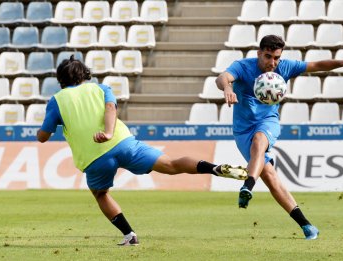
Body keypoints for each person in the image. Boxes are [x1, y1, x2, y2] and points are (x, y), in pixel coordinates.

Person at [37, 55, 248, 246]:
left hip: (95, 158)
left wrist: (44, 130)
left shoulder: (57, 100)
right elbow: (111, 108)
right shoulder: (101, 88)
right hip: (124, 143)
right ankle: (215, 168)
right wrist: (109, 133)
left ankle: (129, 235)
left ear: (61, 80)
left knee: (101, 194)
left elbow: (44, 136)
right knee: (172, 165)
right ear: (85, 74)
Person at [215, 35, 343, 240]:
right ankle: (306, 226)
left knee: (260, 141)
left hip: (267, 122)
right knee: (269, 177)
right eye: (268, 56)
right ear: (259, 53)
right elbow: (222, 77)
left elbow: (317, 64)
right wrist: (228, 88)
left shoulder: (284, 67)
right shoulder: (242, 66)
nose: (272, 62)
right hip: (242, 131)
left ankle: (247, 185)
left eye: (276, 57)